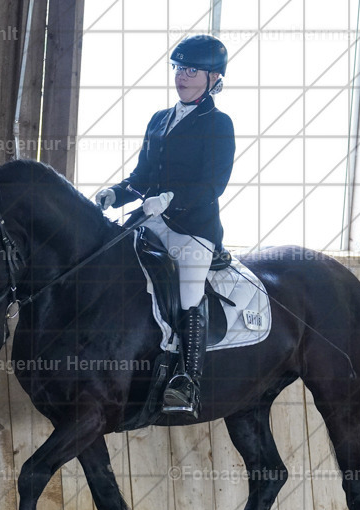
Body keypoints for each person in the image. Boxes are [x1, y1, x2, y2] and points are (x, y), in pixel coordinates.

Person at [96, 34, 235, 419]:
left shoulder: (219, 124)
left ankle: (187, 380)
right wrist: (117, 193)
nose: (182, 76)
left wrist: (170, 199)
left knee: (190, 292)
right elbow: (142, 176)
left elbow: (213, 185)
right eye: (178, 68)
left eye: (191, 70)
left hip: (193, 230)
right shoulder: (159, 119)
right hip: (150, 221)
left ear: (213, 78)